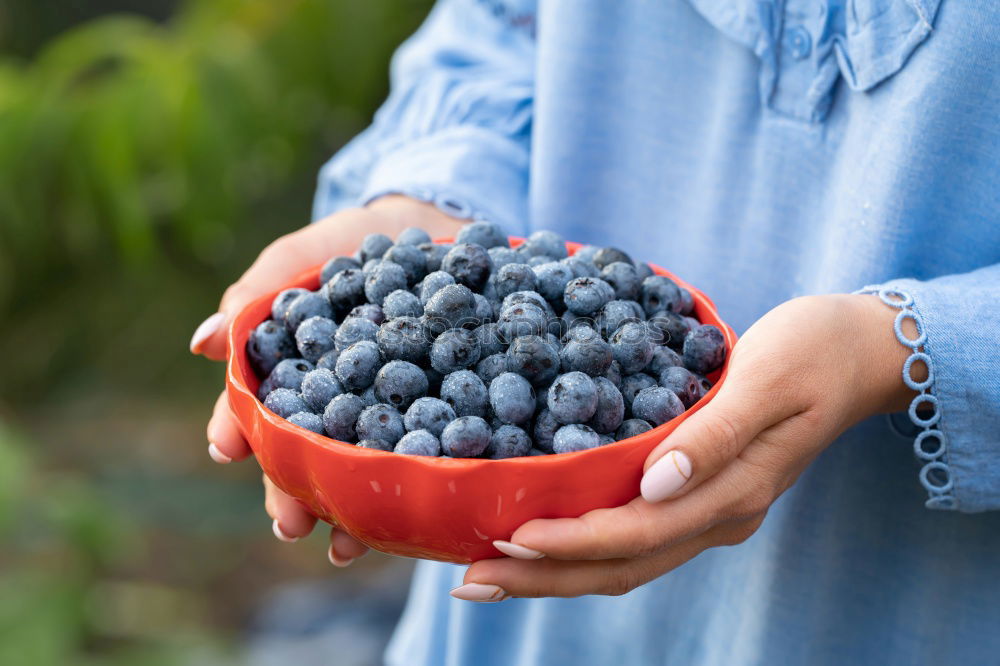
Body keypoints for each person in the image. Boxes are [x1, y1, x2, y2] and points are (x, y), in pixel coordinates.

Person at [189, 1, 1000, 664]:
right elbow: (500, 29)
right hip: (516, 606)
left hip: (895, 602)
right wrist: (431, 191)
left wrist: (891, 348)